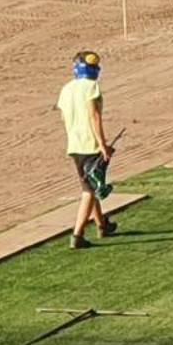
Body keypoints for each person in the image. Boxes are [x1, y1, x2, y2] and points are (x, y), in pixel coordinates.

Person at [58, 50, 116, 250]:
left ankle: (102, 225)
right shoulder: (92, 87)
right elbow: (94, 116)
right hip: (89, 145)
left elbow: (64, 118)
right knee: (89, 191)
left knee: (91, 184)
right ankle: (77, 234)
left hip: (74, 145)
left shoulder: (66, 89)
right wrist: (102, 144)